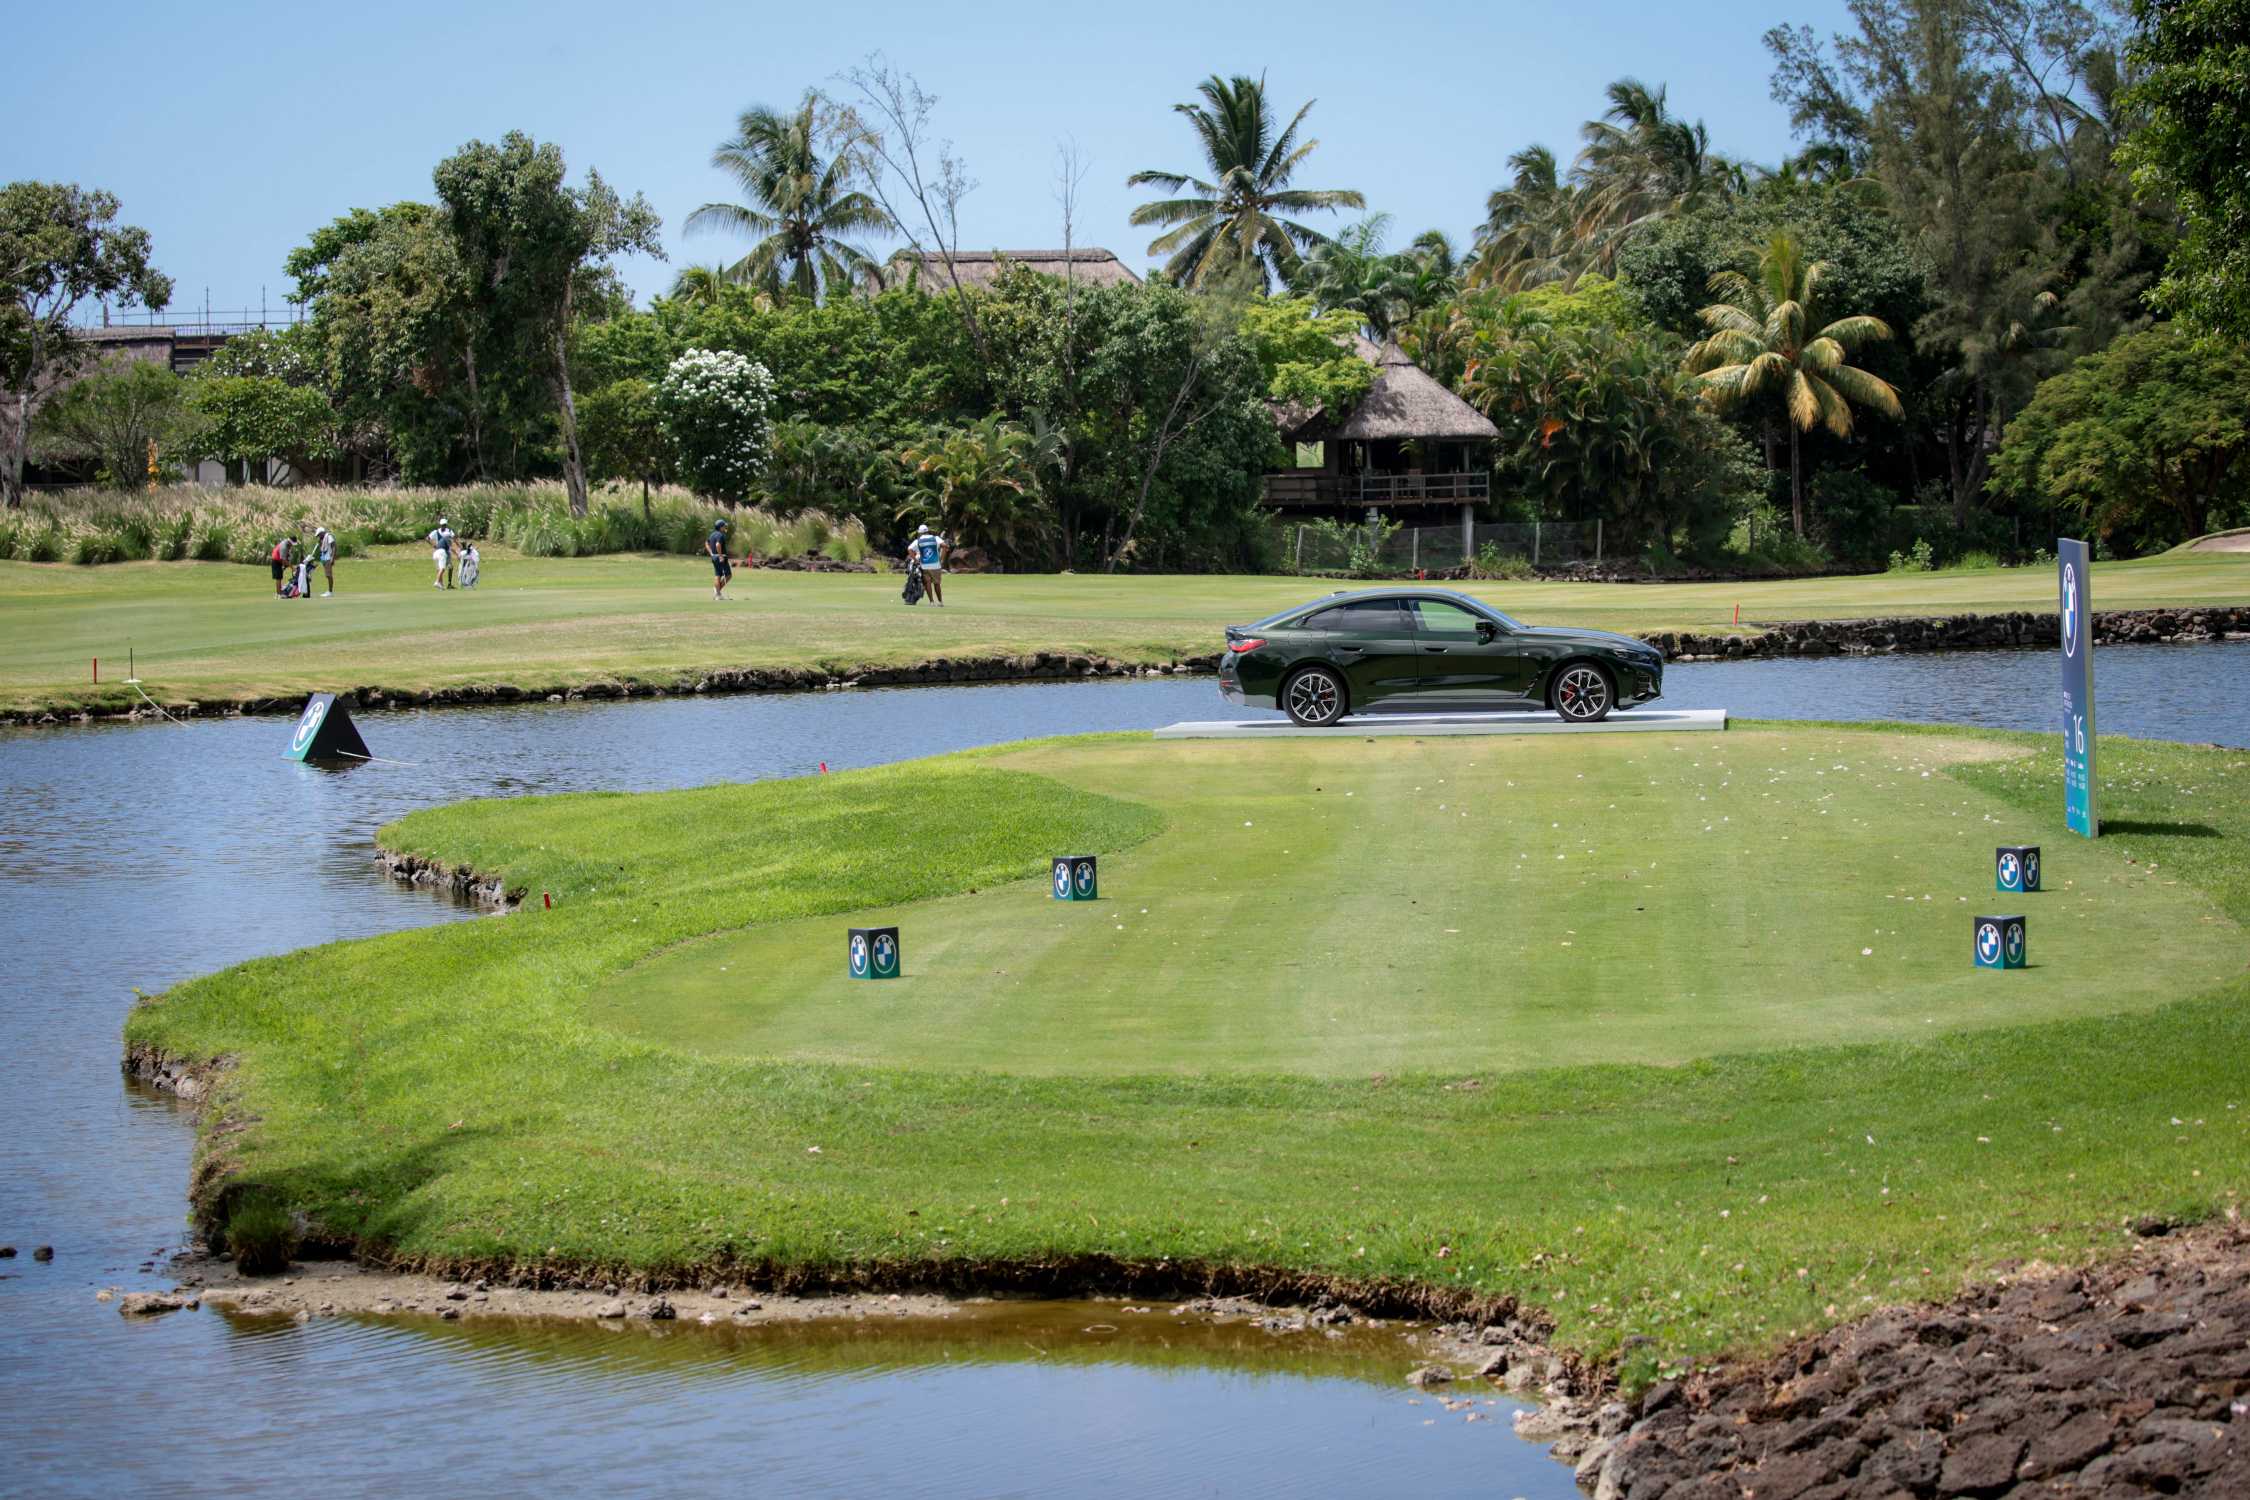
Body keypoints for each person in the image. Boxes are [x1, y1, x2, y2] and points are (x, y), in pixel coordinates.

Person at [907, 523, 947, 606]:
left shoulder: (918, 541)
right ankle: (940, 602)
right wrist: (941, 558)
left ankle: (931, 602)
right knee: (937, 584)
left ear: (920, 533)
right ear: (927, 531)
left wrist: (915, 560)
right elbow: (944, 546)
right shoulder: (935, 538)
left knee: (927, 583)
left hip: (925, 565)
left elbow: (909, 549)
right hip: (936, 564)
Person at [706, 517, 733, 600]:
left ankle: (717, 594)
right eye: (724, 526)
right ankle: (717, 592)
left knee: (718, 575)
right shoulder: (721, 535)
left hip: (714, 557)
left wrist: (711, 553)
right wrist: (720, 556)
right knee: (728, 575)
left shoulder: (712, 534)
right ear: (720, 527)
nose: (725, 527)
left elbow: (706, 543)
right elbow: (718, 545)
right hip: (721, 557)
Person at [427, 517, 456, 589]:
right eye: (442, 525)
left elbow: (454, 538)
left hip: (445, 551)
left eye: (445, 525)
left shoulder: (449, 531)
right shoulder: (436, 532)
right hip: (442, 552)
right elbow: (428, 538)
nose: (444, 526)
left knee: (449, 567)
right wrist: (433, 545)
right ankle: (439, 583)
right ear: (440, 525)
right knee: (441, 568)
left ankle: (447, 584)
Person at [311, 525, 337, 596]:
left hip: (328, 558)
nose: (319, 536)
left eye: (319, 535)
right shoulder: (322, 539)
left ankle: (330, 592)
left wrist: (332, 558)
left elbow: (334, 547)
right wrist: (320, 542)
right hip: (324, 558)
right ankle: (329, 591)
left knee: (329, 575)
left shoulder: (329, 536)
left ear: (322, 533)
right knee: (327, 575)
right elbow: (321, 548)